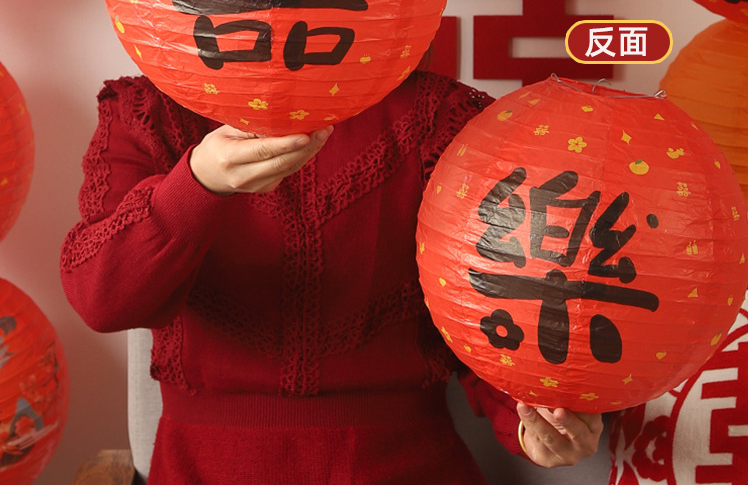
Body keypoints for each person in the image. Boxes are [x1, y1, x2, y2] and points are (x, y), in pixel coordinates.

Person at [61, 68, 602, 484]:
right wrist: (197, 183)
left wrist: (536, 422)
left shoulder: (441, 116)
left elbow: (489, 304)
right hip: (205, 464)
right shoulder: (150, 111)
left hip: (405, 464)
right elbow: (101, 298)